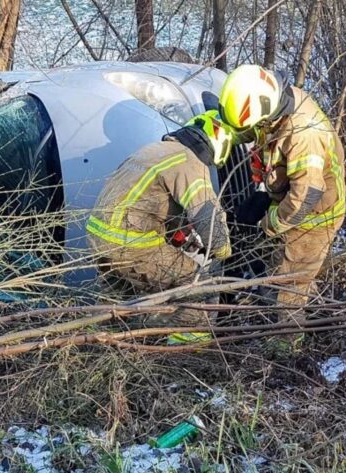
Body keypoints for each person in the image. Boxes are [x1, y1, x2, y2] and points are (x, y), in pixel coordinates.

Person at [219, 64, 346, 349]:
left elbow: (306, 197)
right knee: (285, 270)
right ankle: (310, 308)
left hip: (314, 217)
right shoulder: (276, 103)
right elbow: (253, 131)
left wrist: (269, 225)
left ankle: (287, 346)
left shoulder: (304, 134)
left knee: (289, 285)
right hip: (289, 200)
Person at [86, 111, 235, 341]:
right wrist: (223, 250)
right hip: (131, 244)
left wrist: (181, 233)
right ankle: (185, 349)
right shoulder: (190, 162)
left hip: (99, 237)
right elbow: (208, 218)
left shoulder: (154, 150)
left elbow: (149, 200)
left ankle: (94, 344)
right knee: (197, 284)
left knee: (117, 298)